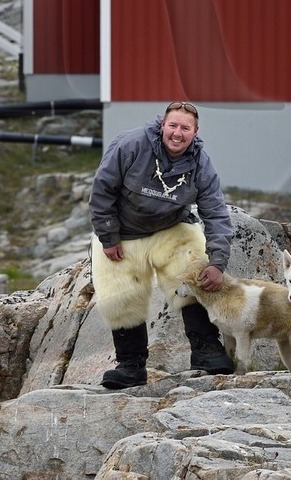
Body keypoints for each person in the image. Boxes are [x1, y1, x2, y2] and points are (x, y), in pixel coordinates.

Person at [89, 99, 234, 388]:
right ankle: (130, 365)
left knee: (194, 272)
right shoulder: (131, 146)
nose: (177, 133)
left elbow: (215, 211)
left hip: (171, 228)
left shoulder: (200, 163)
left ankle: (206, 348)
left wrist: (218, 262)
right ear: (162, 125)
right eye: (173, 126)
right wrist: (108, 237)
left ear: (195, 132)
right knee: (119, 294)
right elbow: (101, 191)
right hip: (122, 233)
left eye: (185, 128)